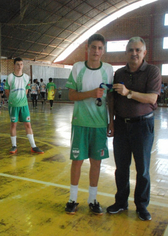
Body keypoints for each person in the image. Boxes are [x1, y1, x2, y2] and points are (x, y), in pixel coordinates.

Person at [108, 37, 161, 221]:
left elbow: (152, 99)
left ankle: (141, 205)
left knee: (143, 169)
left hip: (142, 126)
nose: (134, 53)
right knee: (121, 168)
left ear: (144, 52)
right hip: (121, 125)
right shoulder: (119, 73)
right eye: (131, 50)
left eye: (138, 50)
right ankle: (121, 202)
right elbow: (112, 99)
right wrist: (111, 122)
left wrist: (128, 92)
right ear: (126, 52)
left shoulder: (152, 71)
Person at [64, 33, 114, 215]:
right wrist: (91, 93)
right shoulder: (78, 68)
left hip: (100, 125)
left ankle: (92, 200)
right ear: (87, 48)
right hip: (80, 123)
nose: (96, 51)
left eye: (100, 48)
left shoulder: (108, 70)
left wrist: (111, 122)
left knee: (96, 163)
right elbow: (71, 95)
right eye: (93, 47)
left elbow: (111, 99)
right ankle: (72, 199)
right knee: (77, 161)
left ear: (103, 50)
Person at [4, 57, 44, 154]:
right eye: (17, 64)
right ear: (14, 65)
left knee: (28, 124)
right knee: (13, 124)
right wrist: (13, 100)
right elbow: (7, 91)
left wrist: (22, 99)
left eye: (21, 64)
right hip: (13, 105)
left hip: (24, 105)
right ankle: (14, 146)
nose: (20, 66)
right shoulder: (10, 77)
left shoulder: (26, 77)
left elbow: (26, 89)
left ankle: (33, 146)